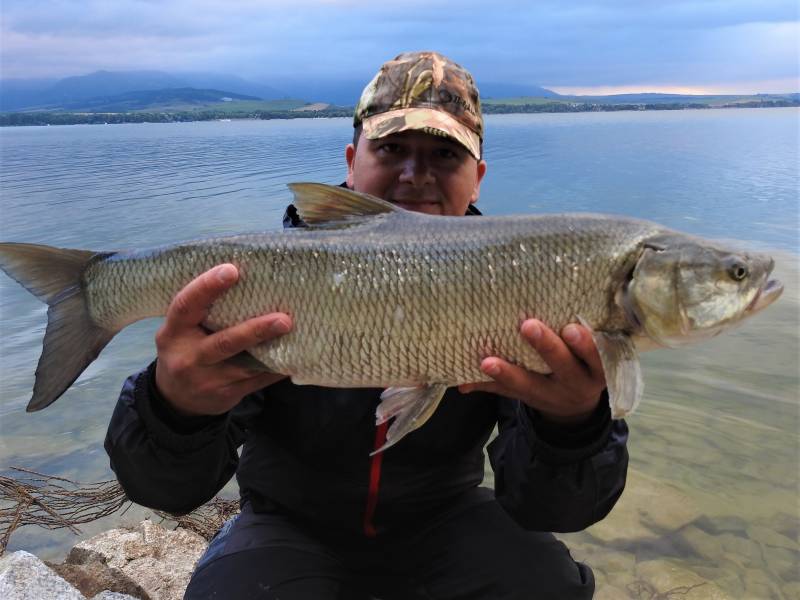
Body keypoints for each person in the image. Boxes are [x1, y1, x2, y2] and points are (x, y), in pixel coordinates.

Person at [105, 51, 628, 600]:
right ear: (352, 162)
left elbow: (556, 509)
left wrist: (573, 425)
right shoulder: (258, 282)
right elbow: (165, 488)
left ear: (478, 179)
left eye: (445, 154)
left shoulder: (519, 285)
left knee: (545, 585)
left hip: (447, 518)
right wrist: (174, 408)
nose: (415, 174)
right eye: (392, 148)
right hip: (287, 527)